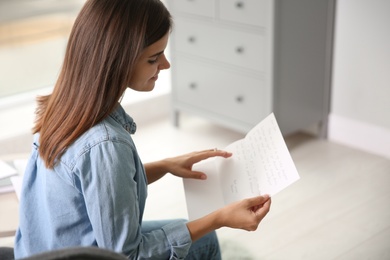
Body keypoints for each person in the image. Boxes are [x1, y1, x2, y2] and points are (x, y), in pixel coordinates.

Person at [14, 0, 271, 259]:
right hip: (88, 253)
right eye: (154, 58)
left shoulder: (65, 105)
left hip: (43, 249)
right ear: (118, 61)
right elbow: (129, 255)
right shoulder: (105, 145)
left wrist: (166, 165)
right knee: (205, 239)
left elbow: (95, 191)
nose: (166, 65)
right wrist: (219, 218)